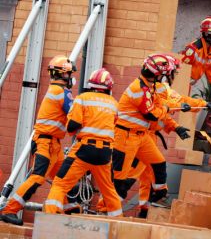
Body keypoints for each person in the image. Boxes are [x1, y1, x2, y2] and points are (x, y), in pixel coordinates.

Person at [122, 54, 211, 218]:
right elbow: (169, 106)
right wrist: (193, 108)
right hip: (135, 137)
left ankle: (144, 209)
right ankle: (108, 206)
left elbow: (169, 107)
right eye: (174, 73)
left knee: (148, 175)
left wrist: (178, 125)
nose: (174, 76)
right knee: (132, 174)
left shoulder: (155, 87)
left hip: (146, 136)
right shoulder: (154, 88)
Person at [1, 56, 75, 225]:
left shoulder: (55, 90)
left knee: (63, 179)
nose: (71, 78)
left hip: (51, 143)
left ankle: (68, 210)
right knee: (38, 178)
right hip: (46, 143)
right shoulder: (62, 93)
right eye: (69, 74)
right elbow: (74, 118)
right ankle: (9, 209)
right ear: (63, 75)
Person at [44, 68, 122, 216]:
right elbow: (115, 126)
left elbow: (72, 126)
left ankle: (50, 218)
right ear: (109, 88)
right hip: (105, 154)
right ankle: (119, 225)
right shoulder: (114, 104)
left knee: (60, 184)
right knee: (109, 192)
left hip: (84, 150)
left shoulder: (83, 98)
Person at [110, 54, 182, 204]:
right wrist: (168, 108)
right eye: (166, 73)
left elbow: (160, 104)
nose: (167, 77)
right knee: (119, 180)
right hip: (126, 137)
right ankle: (107, 211)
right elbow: (152, 114)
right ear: (157, 74)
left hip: (140, 136)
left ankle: (159, 190)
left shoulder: (150, 86)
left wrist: (175, 108)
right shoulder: (139, 89)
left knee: (159, 162)